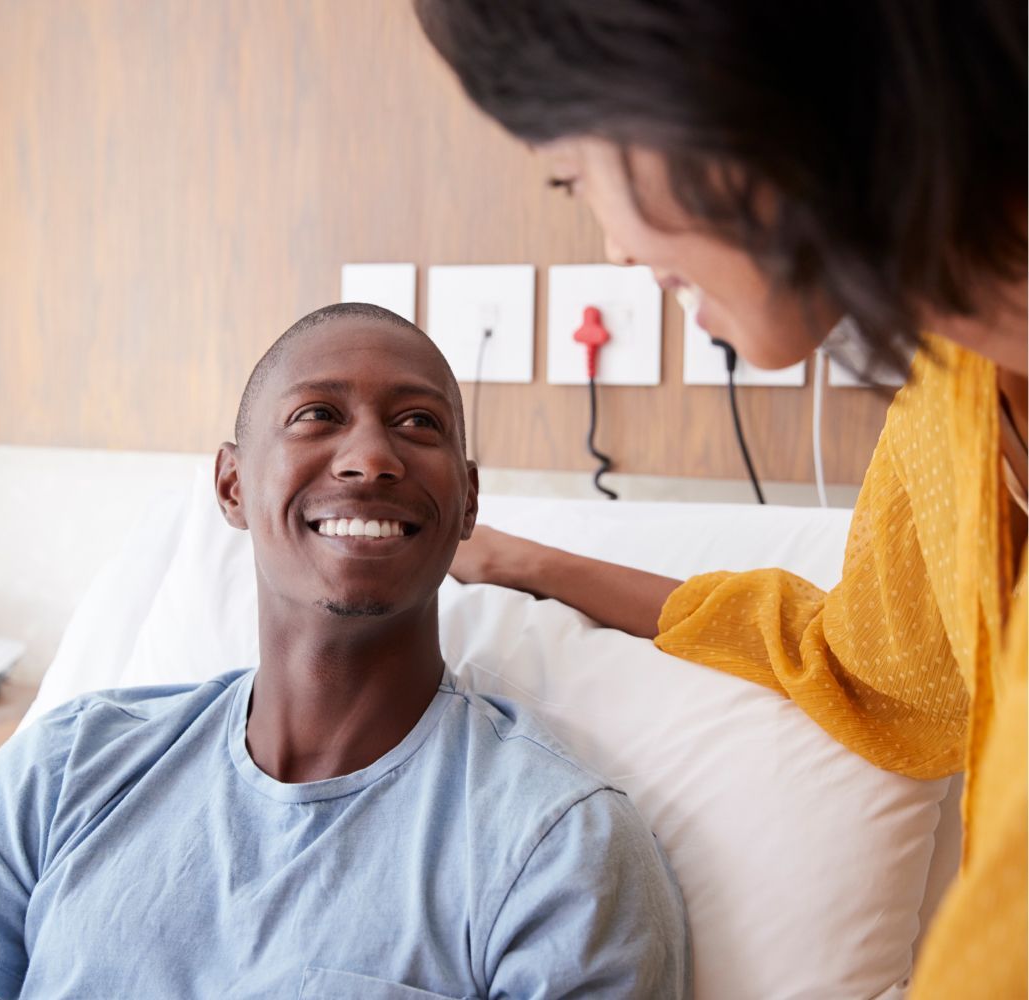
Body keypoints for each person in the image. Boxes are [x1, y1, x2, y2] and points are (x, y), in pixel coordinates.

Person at [414, 2, 1027, 995]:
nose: (612, 253)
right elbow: (864, 669)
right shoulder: (950, 401)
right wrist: (531, 564)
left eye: (576, 176)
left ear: (712, 84)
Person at [0, 303, 689, 1000]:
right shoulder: (61, 770)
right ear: (232, 485)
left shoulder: (559, 849)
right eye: (317, 415)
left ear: (469, 500)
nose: (373, 458)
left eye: (419, 423)